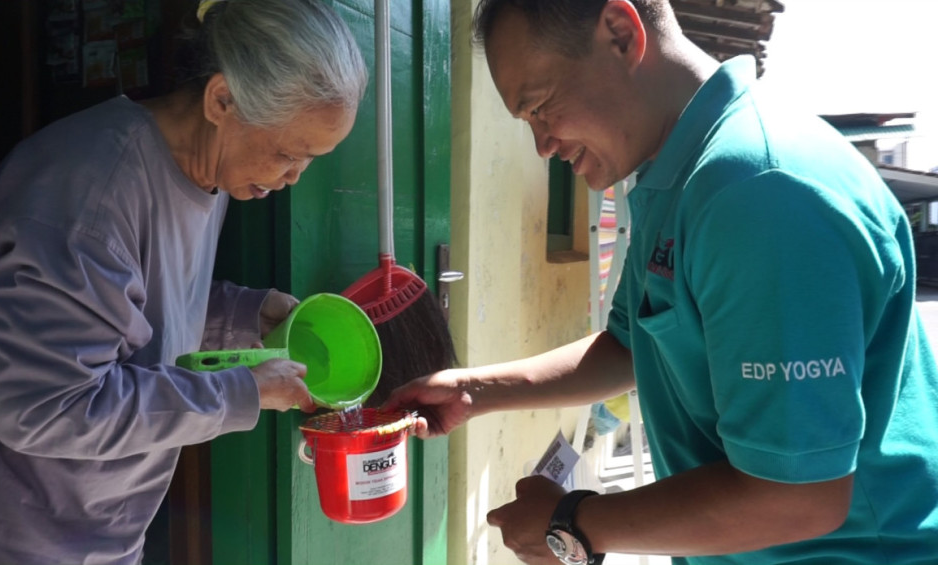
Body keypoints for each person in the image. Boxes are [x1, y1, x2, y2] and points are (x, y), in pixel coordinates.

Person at [383, 1, 938, 564]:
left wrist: (572, 525)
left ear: (622, 33)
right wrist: (473, 392)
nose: (543, 146)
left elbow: (798, 497)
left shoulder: (756, 191)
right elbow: (632, 345)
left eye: (542, 107)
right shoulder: (679, 177)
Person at [0, 0, 367, 563]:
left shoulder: (209, 173)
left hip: (104, 531)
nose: (292, 177)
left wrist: (244, 316)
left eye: (310, 160)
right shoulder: (91, 192)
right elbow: (45, 405)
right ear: (222, 100)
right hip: (13, 536)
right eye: (288, 154)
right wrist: (246, 392)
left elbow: (131, 309)